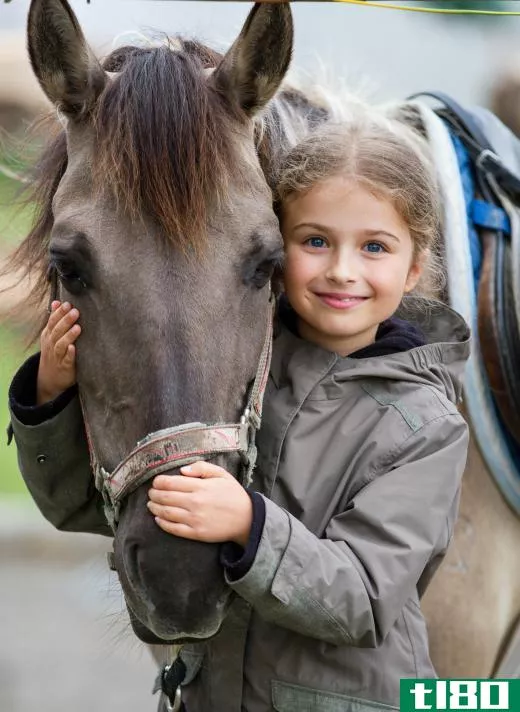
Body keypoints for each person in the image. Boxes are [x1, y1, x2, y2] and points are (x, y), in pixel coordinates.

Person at [8, 108, 470, 711]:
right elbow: (81, 507)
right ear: (279, 249)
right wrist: (52, 395)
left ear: (413, 268)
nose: (342, 270)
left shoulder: (425, 426)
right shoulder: (240, 376)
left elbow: (365, 597)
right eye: (315, 241)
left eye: (374, 247)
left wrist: (251, 527)